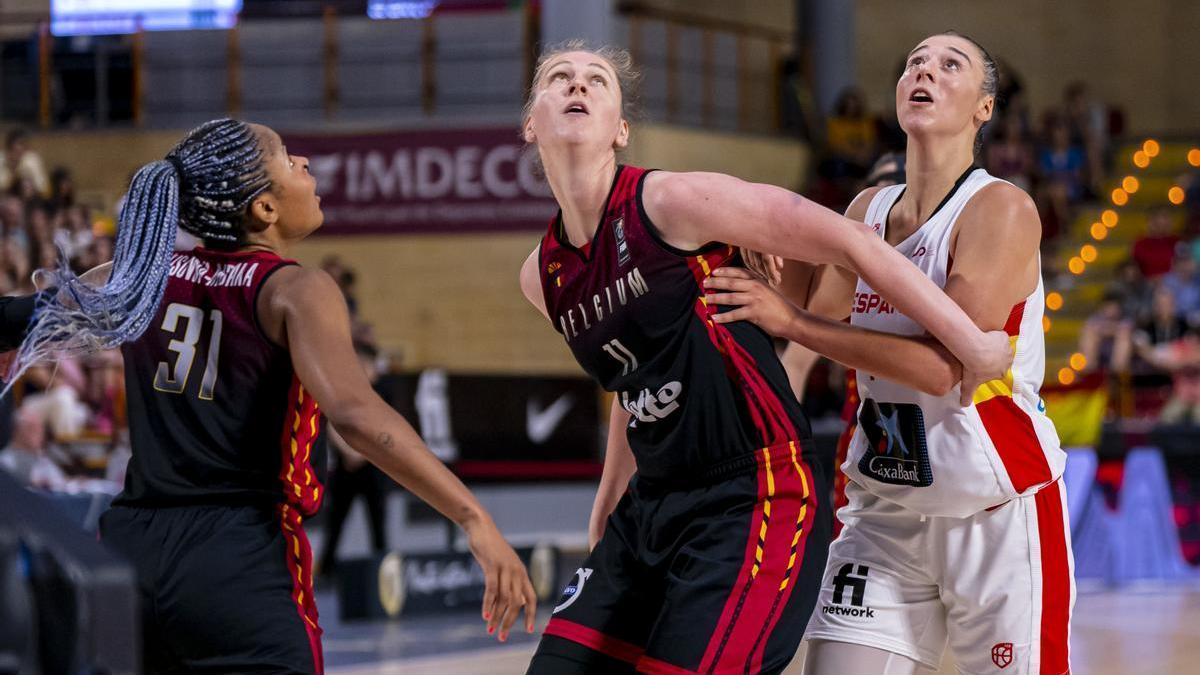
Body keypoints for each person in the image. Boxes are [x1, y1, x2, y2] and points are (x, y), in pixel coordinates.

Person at [516, 41, 1012, 674]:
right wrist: (609, 501)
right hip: (652, 504)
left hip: (754, 492)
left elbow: (850, 241)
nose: (577, 86)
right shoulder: (543, 276)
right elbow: (632, 377)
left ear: (621, 129)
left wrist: (969, 342)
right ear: (532, 121)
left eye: (596, 80)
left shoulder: (673, 203)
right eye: (560, 78)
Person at [1, 119, 536, 673]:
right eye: (287, 158)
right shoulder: (294, 289)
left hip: (129, 550)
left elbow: (16, 318)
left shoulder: (140, 278)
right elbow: (355, 415)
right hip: (239, 559)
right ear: (265, 209)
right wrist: (474, 518)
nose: (305, 165)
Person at [710, 32, 1071, 675]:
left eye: (948, 64)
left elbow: (940, 367)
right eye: (913, 63)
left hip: (991, 511)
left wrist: (791, 318)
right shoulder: (865, 210)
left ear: (984, 108)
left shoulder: (1000, 209)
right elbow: (804, 339)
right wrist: (759, 251)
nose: (924, 71)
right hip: (884, 513)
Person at [317, 340, 390, 578]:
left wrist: (363, 453)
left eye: (365, 365)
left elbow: (386, 432)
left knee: (378, 525)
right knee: (336, 522)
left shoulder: (382, 395)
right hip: (346, 468)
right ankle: (325, 572)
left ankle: (383, 576)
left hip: (373, 468)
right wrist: (349, 452)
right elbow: (330, 424)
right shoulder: (341, 392)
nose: (360, 370)